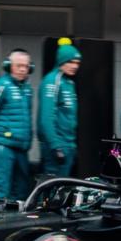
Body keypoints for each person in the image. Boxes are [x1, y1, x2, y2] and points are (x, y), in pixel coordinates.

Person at [0, 49, 34, 207]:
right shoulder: (0, 86)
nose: (23, 69)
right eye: (18, 65)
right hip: (3, 148)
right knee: (1, 192)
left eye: (26, 66)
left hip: (21, 149)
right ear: (9, 66)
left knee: (20, 192)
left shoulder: (27, 89)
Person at [38, 42, 81, 177]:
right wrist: (56, 146)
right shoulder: (52, 81)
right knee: (52, 190)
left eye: (77, 62)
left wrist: (72, 146)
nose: (75, 66)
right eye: (70, 61)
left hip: (68, 145)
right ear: (61, 61)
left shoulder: (69, 83)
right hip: (56, 146)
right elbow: (46, 118)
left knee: (62, 190)